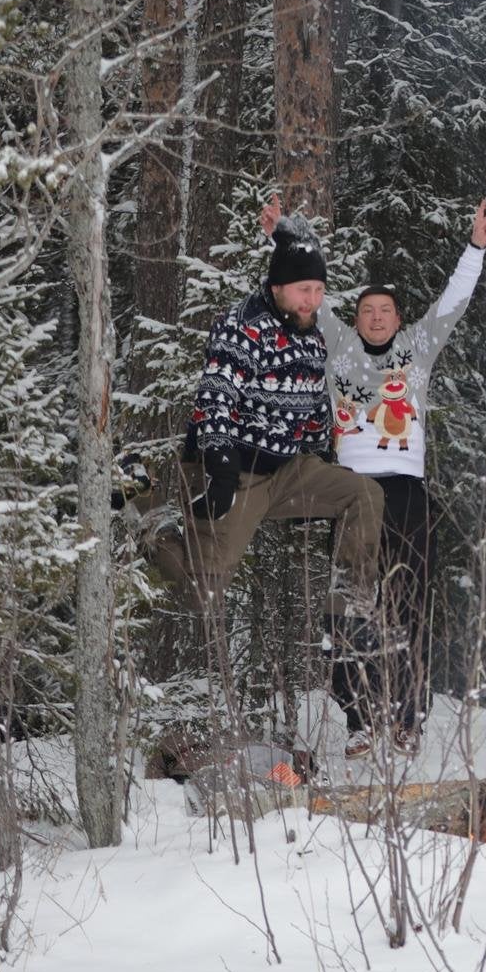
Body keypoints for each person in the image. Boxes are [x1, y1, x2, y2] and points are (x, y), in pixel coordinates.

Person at [258, 197, 486, 758]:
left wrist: (477, 246)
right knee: (349, 602)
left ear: (397, 318)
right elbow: (303, 291)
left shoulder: (416, 350)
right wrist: (281, 238)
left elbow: (453, 304)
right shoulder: (337, 345)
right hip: (352, 495)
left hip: (408, 492)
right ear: (357, 318)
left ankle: (408, 718)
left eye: (386, 310)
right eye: (368, 310)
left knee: (411, 607)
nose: (377, 317)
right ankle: (359, 720)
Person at [150, 212, 387, 656]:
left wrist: (322, 455)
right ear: (277, 287)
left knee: (364, 495)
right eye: (303, 290)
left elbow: (315, 400)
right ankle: (145, 516)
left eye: (318, 291)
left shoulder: (309, 332)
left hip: (288, 468)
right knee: (202, 593)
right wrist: (220, 466)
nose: (311, 300)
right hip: (236, 469)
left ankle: (348, 612)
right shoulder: (243, 325)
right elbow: (216, 397)